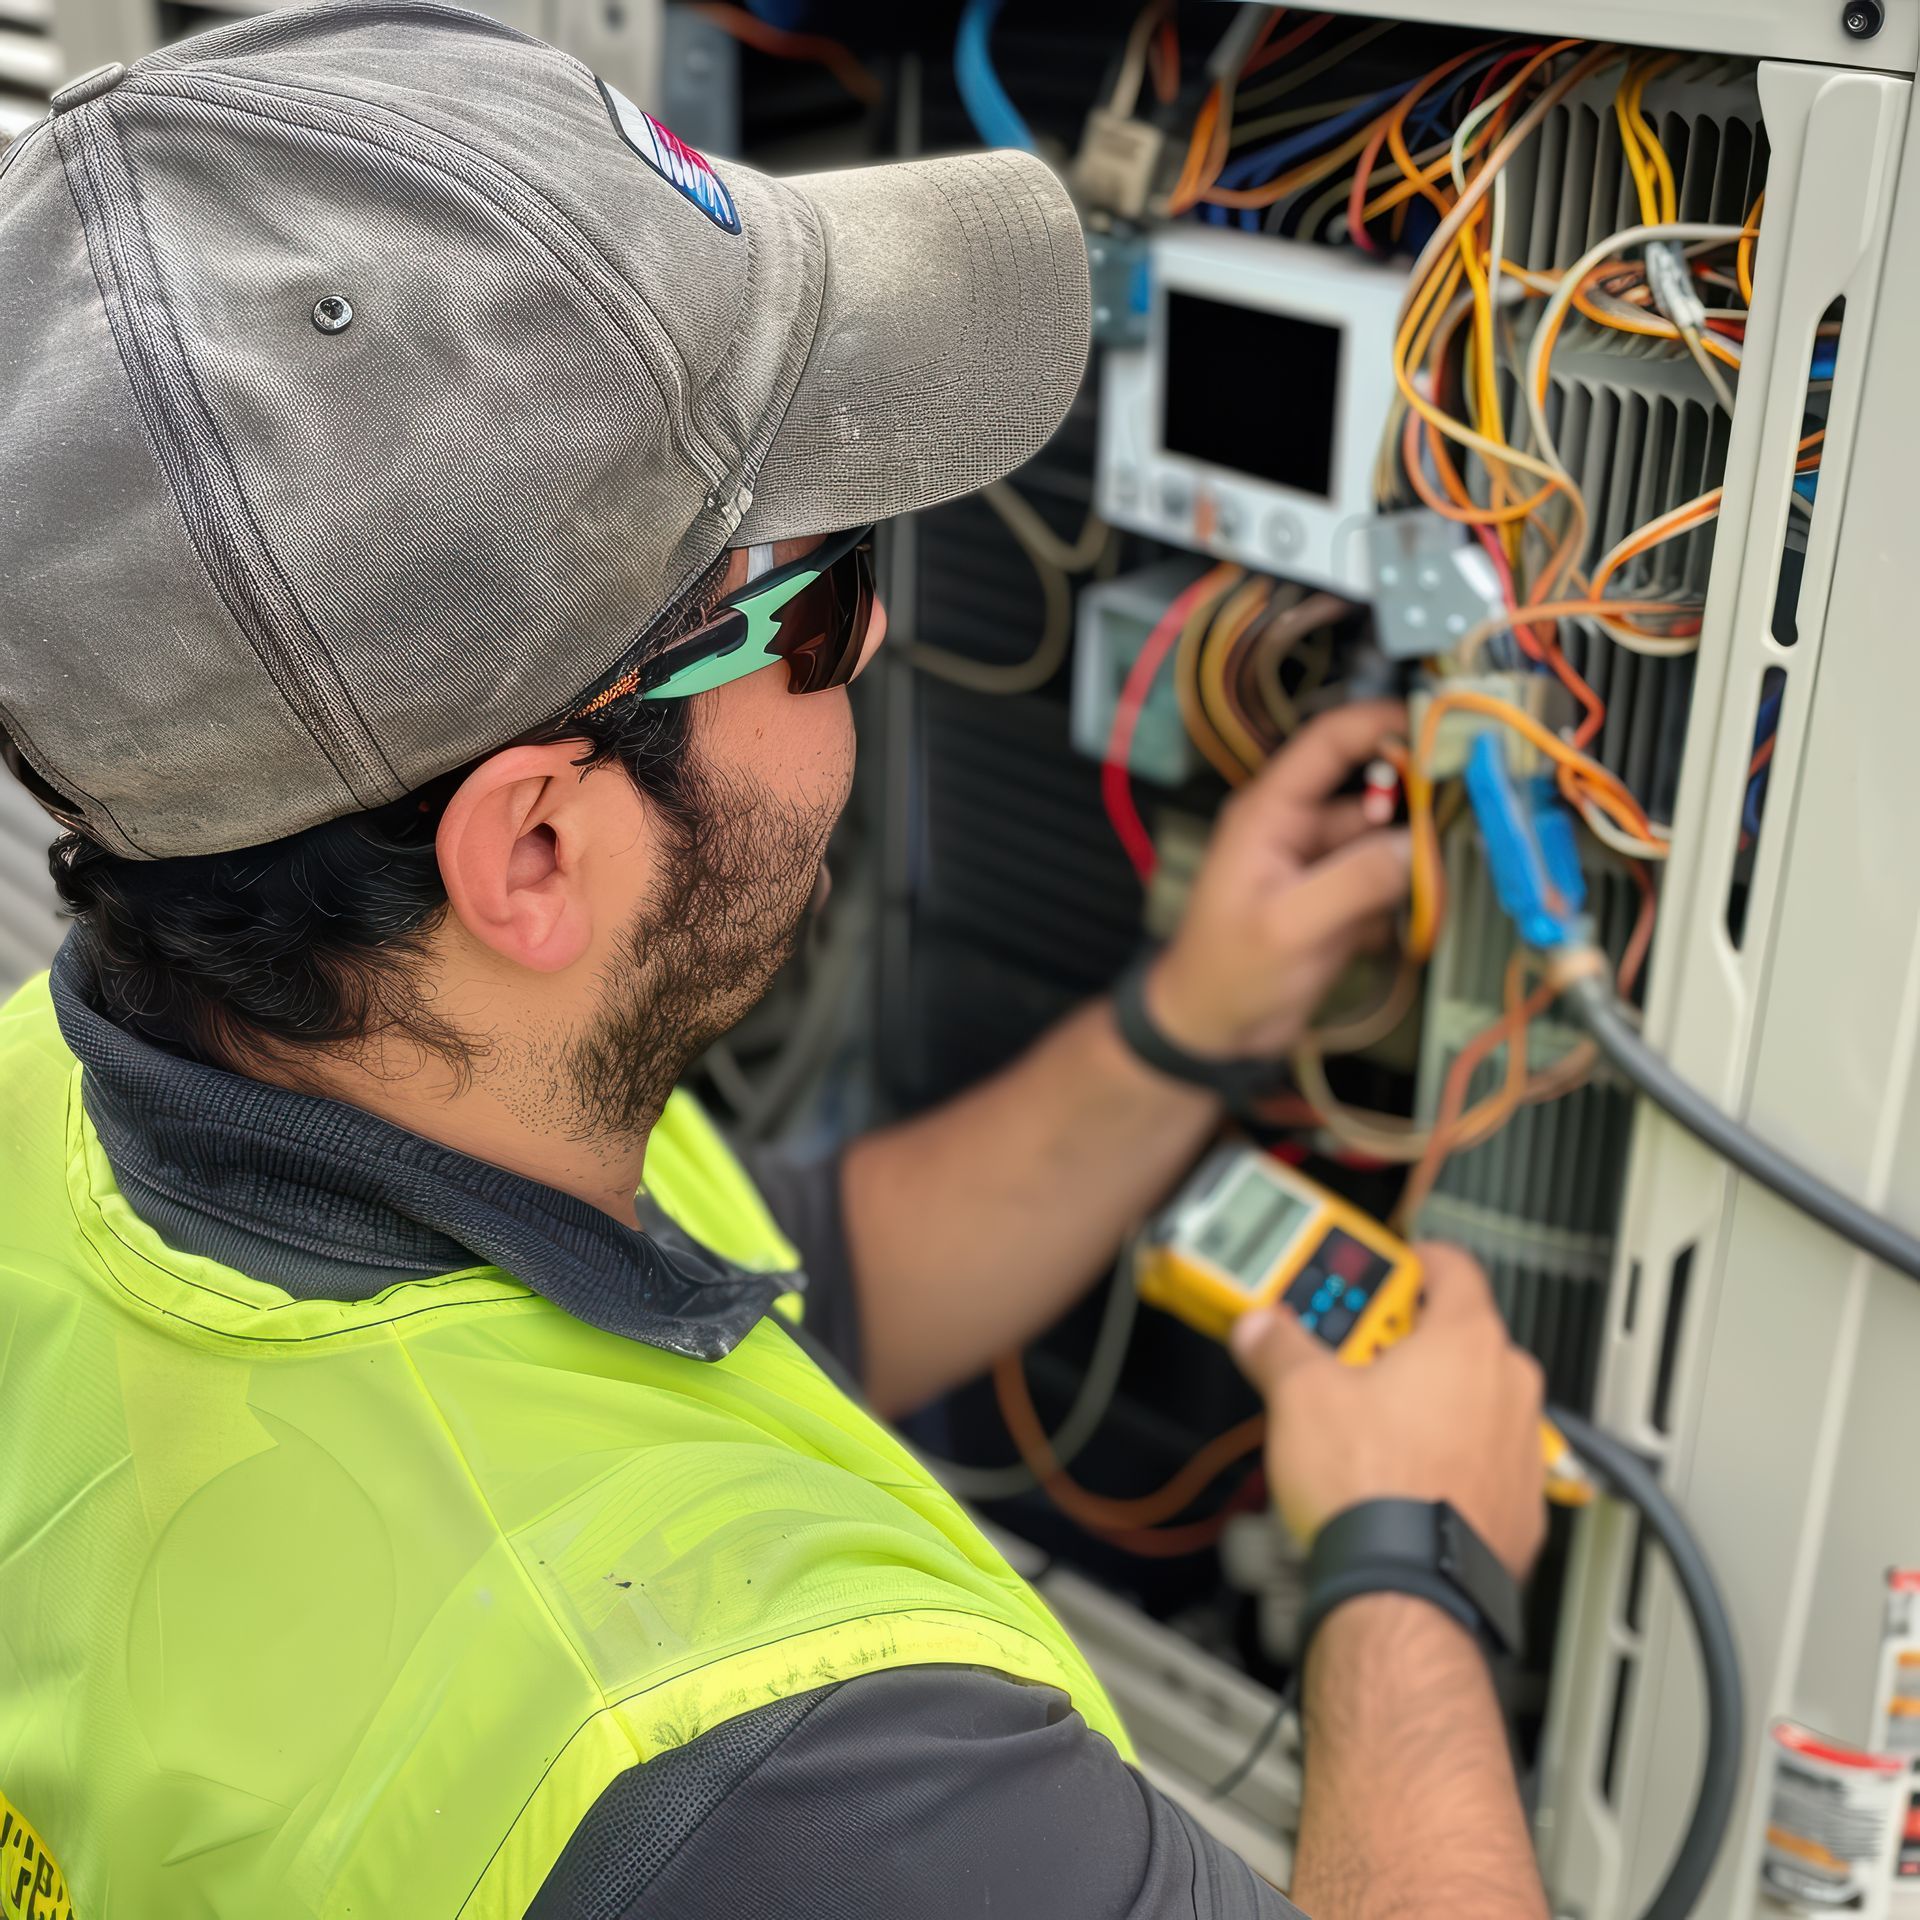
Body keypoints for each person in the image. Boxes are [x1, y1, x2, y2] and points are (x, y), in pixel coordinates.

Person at [0, 5, 1550, 1916]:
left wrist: (1180, 1030)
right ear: (539, 845)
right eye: (815, 606)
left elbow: (783, 1312)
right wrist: (1412, 1570)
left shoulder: (112, 1109)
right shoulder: (759, 1780)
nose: (879, 651)